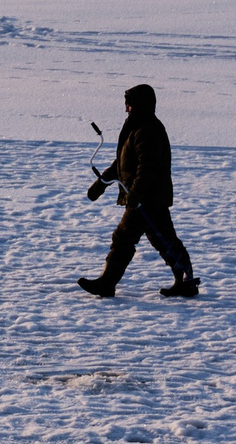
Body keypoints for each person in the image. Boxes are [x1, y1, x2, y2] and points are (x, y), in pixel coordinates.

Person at [79, 84, 200, 298]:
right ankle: (185, 282)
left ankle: (107, 283)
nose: (126, 108)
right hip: (146, 197)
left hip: (147, 198)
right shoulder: (136, 127)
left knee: (124, 238)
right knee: (164, 239)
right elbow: (122, 163)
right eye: (126, 104)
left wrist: (135, 194)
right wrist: (101, 184)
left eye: (130, 104)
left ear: (140, 105)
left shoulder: (148, 129)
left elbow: (148, 166)